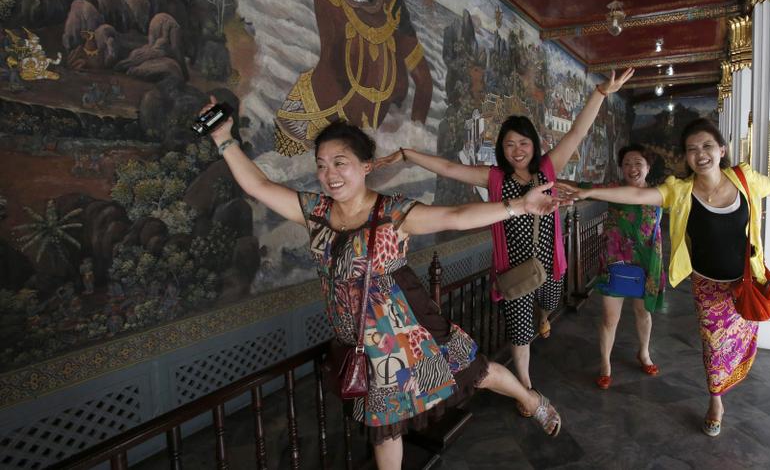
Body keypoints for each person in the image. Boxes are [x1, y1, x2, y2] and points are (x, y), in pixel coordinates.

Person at [204, 99, 562, 470]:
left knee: (477, 371)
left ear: (365, 167)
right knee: (385, 427)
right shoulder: (316, 212)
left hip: (412, 326)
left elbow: (456, 216)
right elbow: (258, 185)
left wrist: (520, 206)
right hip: (363, 339)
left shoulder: (393, 213)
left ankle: (532, 400)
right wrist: (223, 138)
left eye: (340, 163)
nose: (330, 174)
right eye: (322, 166)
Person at [556, 118, 770, 437]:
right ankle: (715, 400)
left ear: (721, 150)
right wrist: (582, 192)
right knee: (713, 345)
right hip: (707, 285)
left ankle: (722, 383)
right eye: (691, 149)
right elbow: (636, 196)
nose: (700, 154)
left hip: (744, 280)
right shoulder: (680, 190)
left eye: (707, 146)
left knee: (740, 341)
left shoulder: (745, 179)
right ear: (685, 158)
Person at [375, 68, 634, 401]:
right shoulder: (494, 177)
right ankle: (525, 385)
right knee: (520, 331)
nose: (517, 149)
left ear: (534, 144)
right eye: (509, 144)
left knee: (551, 303)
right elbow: (452, 169)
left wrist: (599, 93)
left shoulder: (547, 170)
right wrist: (409, 154)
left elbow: (576, 134)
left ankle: (544, 315)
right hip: (512, 271)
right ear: (501, 148)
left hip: (548, 265)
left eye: (523, 142)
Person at [591, 144, 665, 390]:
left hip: (646, 264)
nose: (632, 168)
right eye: (627, 164)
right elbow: (586, 189)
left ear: (647, 166)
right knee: (610, 318)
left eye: (638, 163)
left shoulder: (659, 193)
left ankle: (644, 353)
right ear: (621, 168)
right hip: (615, 261)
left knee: (644, 313)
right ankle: (605, 364)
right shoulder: (614, 190)